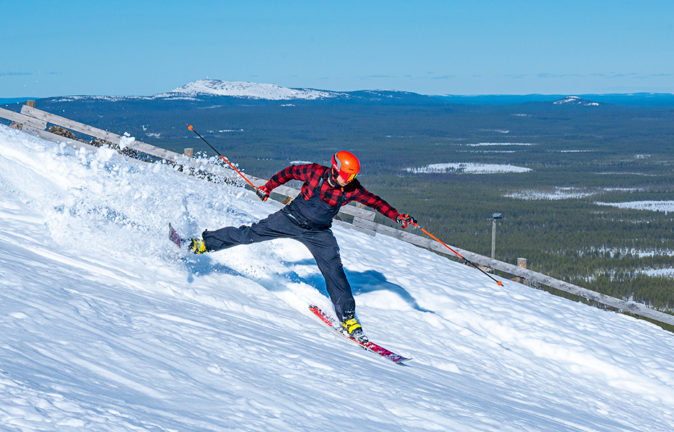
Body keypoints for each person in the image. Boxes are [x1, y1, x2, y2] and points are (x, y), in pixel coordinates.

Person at [188, 151, 416, 342]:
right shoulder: (314, 172)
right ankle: (203, 243)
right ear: (335, 168)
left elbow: (375, 201)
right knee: (248, 235)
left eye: (353, 175)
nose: (350, 179)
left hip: (319, 233)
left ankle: (348, 317)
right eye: (347, 174)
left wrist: (396, 216)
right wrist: (268, 187)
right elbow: (288, 173)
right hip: (289, 219)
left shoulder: (352, 189)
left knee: (334, 270)